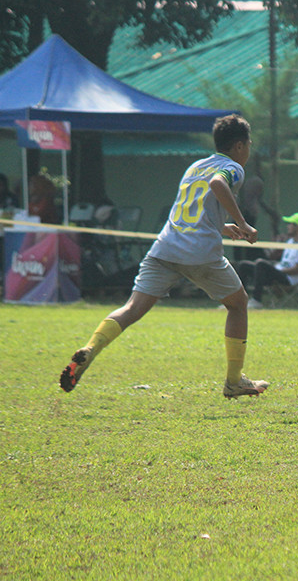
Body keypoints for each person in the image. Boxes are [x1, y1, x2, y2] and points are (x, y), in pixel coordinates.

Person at [59, 114, 269, 399]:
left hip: (165, 247)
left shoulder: (196, 166)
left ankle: (90, 349)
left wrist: (223, 226)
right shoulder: (233, 167)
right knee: (238, 304)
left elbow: (190, 209)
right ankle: (234, 382)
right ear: (240, 145)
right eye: (249, 144)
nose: (249, 149)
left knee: (132, 308)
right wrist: (243, 223)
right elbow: (218, 185)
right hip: (199, 252)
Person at [236, 212, 298, 308]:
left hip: (288, 279)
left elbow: (297, 269)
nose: (288, 226)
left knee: (261, 263)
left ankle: (256, 300)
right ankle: (240, 300)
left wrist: (277, 270)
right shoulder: (290, 242)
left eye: (290, 224)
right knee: (243, 265)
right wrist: (274, 268)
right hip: (278, 273)